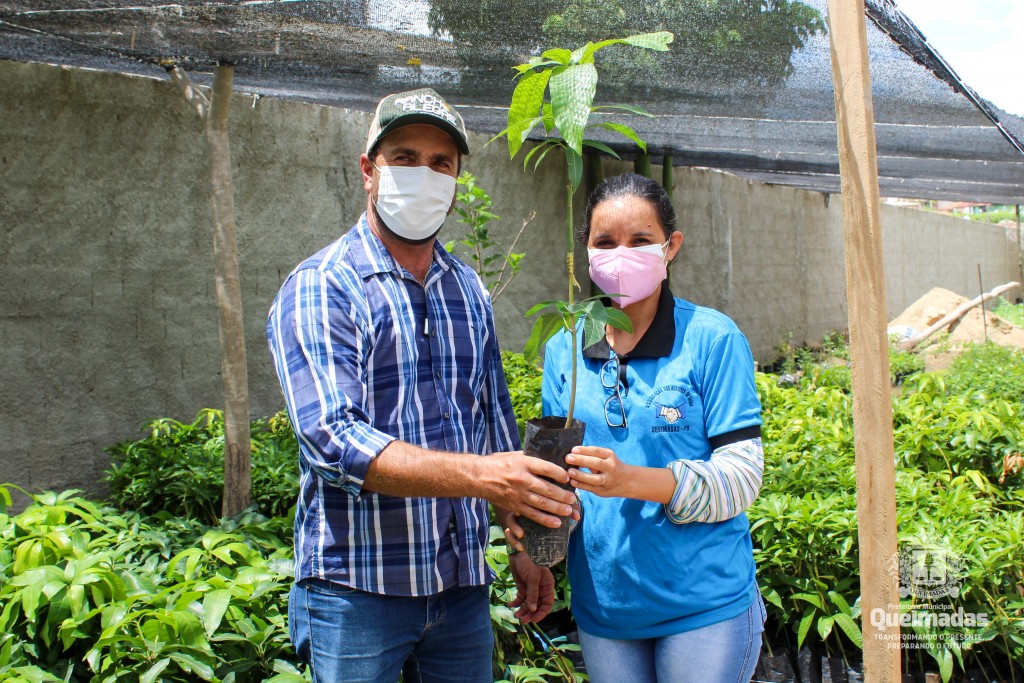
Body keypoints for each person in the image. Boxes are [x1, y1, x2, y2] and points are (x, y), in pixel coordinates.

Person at [266, 87, 576, 683]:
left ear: (457, 180)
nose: (423, 175)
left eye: (441, 164)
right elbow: (332, 440)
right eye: (404, 157)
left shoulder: (467, 290)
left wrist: (521, 544)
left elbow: (492, 424)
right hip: (358, 590)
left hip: (459, 590)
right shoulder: (323, 286)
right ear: (368, 170)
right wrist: (483, 478)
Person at [510, 172, 766, 682]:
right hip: (606, 609)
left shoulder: (710, 338)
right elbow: (553, 473)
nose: (621, 255)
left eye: (640, 241)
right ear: (585, 251)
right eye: (605, 242)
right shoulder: (567, 348)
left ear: (670, 247)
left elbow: (740, 479)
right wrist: (533, 550)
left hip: (702, 607)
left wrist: (631, 481)